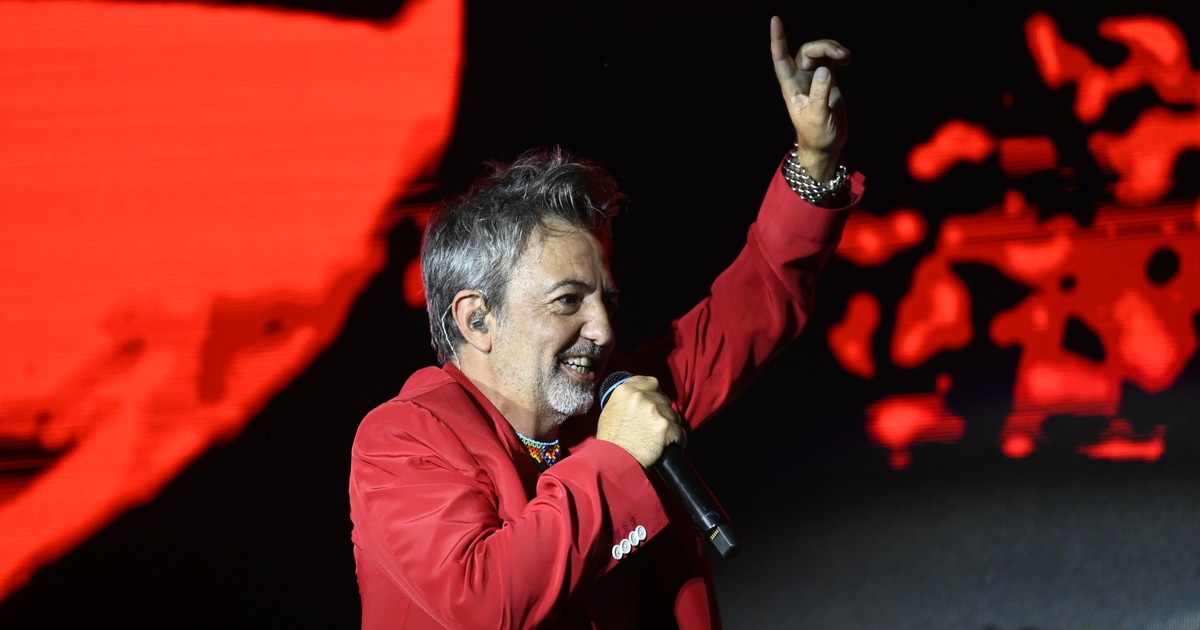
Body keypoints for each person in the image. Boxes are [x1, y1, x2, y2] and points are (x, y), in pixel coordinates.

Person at [348, 16, 865, 629]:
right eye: (568, 300)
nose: (603, 329)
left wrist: (814, 162)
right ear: (477, 318)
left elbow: (750, 309)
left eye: (607, 303)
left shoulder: (608, 401)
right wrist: (617, 455)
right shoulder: (403, 441)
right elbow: (483, 602)